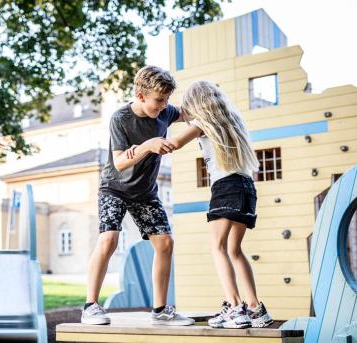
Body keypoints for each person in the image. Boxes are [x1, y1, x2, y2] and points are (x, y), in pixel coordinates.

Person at [81, 66, 194, 326]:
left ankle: (161, 310)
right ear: (140, 95)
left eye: (167, 100)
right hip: (115, 187)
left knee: (165, 243)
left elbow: (189, 114)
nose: (164, 105)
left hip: (145, 192)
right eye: (159, 100)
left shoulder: (165, 112)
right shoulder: (120, 118)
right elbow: (120, 162)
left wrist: (209, 109)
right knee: (108, 239)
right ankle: (90, 306)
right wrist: (148, 145)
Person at [166, 80, 273, 328]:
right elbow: (183, 116)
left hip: (225, 188)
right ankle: (256, 309)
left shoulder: (202, 123)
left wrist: (147, 146)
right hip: (246, 188)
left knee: (217, 248)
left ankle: (235, 307)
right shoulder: (231, 122)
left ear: (196, 105)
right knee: (234, 250)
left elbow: (174, 144)